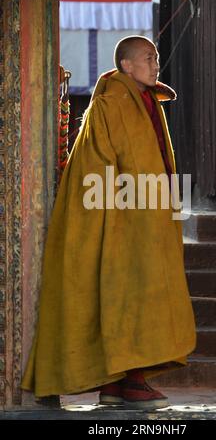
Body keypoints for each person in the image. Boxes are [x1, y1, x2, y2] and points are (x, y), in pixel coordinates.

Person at [21, 35, 196, 410]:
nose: (156, 64)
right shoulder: (110, 104)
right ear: (126, 66)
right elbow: (97, 166)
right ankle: (127, 380)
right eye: (148, 58)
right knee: (126, 295)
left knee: (145, 295)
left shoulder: (148, 102)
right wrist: (119, 216)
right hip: (124, 218)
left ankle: (122, 384)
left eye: (157, 57)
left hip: (150, 217)